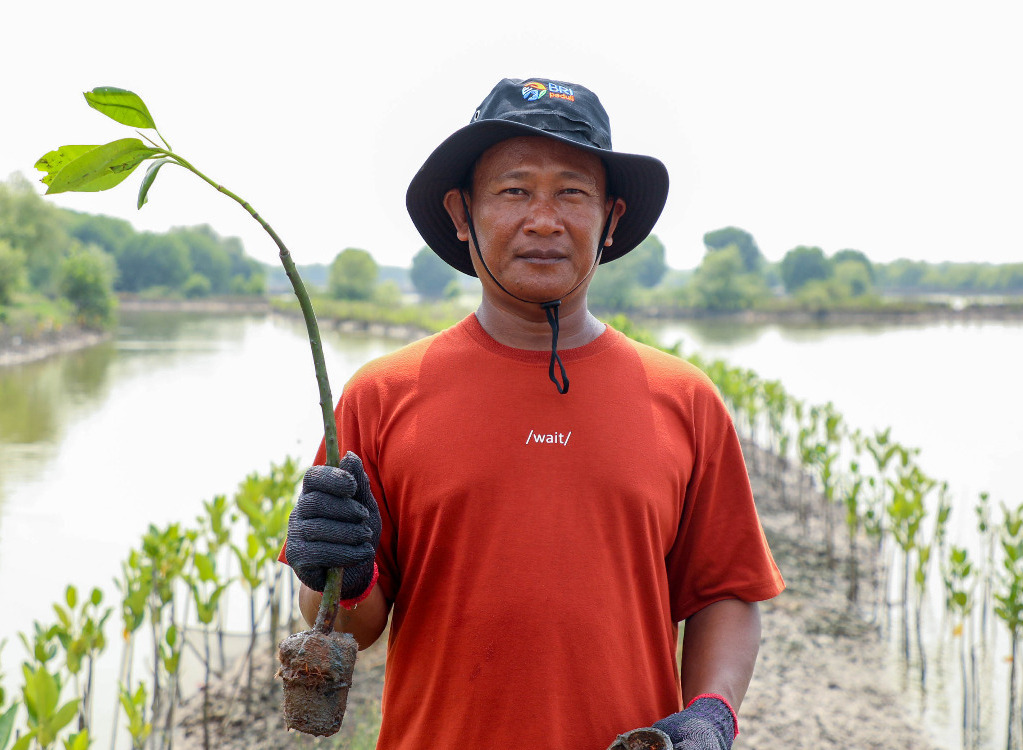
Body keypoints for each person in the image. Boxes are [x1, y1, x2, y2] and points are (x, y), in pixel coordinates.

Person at [281, 77, 785, 750]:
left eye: (572, 192)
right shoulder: (381, 395)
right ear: (462, 214)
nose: (544, 220)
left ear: (610, 217)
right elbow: (351, 626)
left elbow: (724, 592)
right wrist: (334, 572)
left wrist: (712, 712)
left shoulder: (683, 398)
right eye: (514, 190)